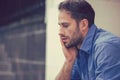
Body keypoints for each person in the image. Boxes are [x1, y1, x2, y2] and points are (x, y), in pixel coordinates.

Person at [55, 0, 120, 80]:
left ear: (83, 24)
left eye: (65, 25)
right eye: (60, 26)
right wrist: (69, 61)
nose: (60, 32)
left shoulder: (106, 47)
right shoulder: (79, 49)